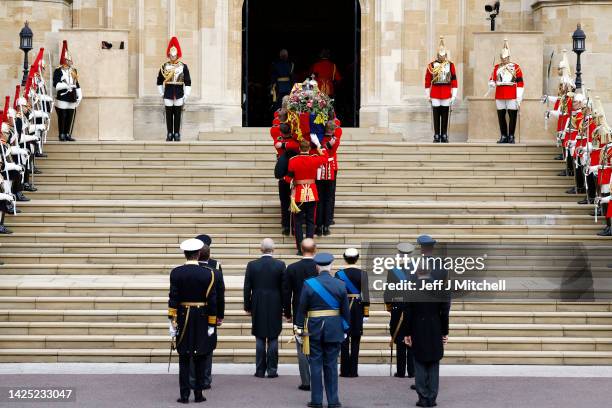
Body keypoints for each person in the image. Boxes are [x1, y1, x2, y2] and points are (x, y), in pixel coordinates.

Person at [295, 253, 350, 408]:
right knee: (332, 366)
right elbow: (346, 311)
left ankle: (317, 400)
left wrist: (299, 327)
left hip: (314, 329)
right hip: (334, 329)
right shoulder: (340, 284)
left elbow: (301, 308)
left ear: (317, 266)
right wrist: (345, 329)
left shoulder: (309, 284)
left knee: (315, 365)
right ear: (331, 266)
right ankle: (333, 401)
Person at [401, 235, 451, 408]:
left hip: (417, 325)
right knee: (434, 362)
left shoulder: (412, 281)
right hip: (435, 324)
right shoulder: (440, 278)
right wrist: (445, 331)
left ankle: (423, 397)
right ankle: (432, 397)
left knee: (420, 361)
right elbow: (445, 310)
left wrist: (407, 332)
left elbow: (407, 309)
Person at [168, 238, 217, 404]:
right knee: (201, 357)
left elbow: (173, 299)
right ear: (198, 254)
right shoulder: (208, 273)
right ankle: (198, 394)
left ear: (185, 254)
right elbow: (212, 301)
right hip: (202, 318)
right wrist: (211, 323)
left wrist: (171, 322)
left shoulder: (176, 272)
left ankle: (184, 395)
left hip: (183, 317)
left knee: (184, 359)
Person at [243, 238, 285, 378]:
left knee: (259, 337)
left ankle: (260, 370)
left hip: (258, 302)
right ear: (273, 249)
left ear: (261, 249)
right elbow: (284, 289)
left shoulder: (252, 265)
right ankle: (272, 370)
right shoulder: (280, 265)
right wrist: (285, 307)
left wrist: (247, 305)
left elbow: (247, 287)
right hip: (275, 302)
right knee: (273, 336)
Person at [282, 238, 319, 391]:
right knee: (317, 347)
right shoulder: (319, 267)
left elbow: (286, 293)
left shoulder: (292, 268)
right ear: (315, 249)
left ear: (301, 249)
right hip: (318, 312)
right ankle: (317, 379)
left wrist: (288, 313)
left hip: (299, 312)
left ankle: (306, 381)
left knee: (301, 347)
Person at [192, 234, 225, 391]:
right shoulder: (215, 269)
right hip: (209, 312)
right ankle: (205, 378)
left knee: (193, 345)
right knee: (208, 346)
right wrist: (220, 314)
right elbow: (220, 294)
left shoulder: (214, 266)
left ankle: (194, 379)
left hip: (192, 313)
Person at [284, 139, 329, 255]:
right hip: (312, 193)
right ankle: (309, 248)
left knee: (298, 222)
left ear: (299, 149)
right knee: (310, 221)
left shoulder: (293, 160)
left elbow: (288, 178)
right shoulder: (314, 159)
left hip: (298, 193)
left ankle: (300, 249)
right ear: (309, 149)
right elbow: (325, 158)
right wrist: (320, 148)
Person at [384, 243, 416, 381]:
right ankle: (413, 371)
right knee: (413, 338)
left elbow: (388, 294)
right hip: (414, 309)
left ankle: (401, 371)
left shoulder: (393, 271)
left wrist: (391, 308)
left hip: (398, 308)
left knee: (400, 338)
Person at [336, 247, 369, 378]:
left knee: (344, 340)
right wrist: (366, 313)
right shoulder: (363, 274)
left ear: (345, 258)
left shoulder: (339, 274)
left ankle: (344, 370)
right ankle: (353, 371)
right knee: (356, 340)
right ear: (357, 258)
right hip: (358, 309)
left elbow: (336, 294)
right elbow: (366, 296)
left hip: (343, 308)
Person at [488, 39, 524, 144]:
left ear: (509, 57)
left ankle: (511, 136)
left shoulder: (516, 67)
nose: (504, 60)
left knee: (512, 116)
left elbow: (520, 82)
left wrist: (519, 96)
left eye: (506, 58)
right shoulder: (496, 67)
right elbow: (492, 79)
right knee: (501, 116)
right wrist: (491, 83)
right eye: (502, 58)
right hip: (500, 94)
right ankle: (503, 135)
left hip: (512, 94)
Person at [157, 36, 191, 142]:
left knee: (177, 114)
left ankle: (177, 133)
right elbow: (159, 81)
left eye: (174, 55)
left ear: (177, 55)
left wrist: (186, 95)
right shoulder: (164, 66)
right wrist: (161, 93)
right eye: (171, 55)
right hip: (168, 93)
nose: (173, 57)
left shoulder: (183, 66)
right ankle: (169, 133)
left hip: (179, 93)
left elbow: (188, 82)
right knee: (168, 114)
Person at [425, 36, 457, 143]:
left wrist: (454, 95)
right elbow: (427, 80)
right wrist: (427, 95)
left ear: (446, 55)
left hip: (446, 92)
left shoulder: (450, 65)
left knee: (445, 114)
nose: (442, 57)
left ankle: (444, 134)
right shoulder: (431, 65)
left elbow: (454, 80)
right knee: (436, 114)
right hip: (435, 93)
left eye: (444, 55)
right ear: (437, 55)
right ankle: (436, 135)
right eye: (440, 55)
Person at [272, 121, 299, 236]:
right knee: (289, 201)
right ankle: (290, 224)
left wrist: (283, 145)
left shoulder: (279, 141)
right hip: (292, 174)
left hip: (286, 174)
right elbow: (296, 146)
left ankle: (287, 225)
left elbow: (280, 144)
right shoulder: (294, 142)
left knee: (286, 202)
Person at [315, 121, 341, 236]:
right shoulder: (334, 139)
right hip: (330, 169)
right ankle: (325, 225)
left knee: (320, 198)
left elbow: (320, 149)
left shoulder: (320, 139)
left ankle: (319, 225)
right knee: (328, 198)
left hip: (320, 169)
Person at [53, 40, 81, 142]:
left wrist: (79, 94)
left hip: (72, 96)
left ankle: (68, 134)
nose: (70, 62)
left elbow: (76, 83)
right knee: (62, 115)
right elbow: (55, 84)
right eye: (68, 60)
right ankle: (61, 134)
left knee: (70, 115)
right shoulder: (58, 70)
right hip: (63, 96)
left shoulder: (74, 71)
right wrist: (65, 85)